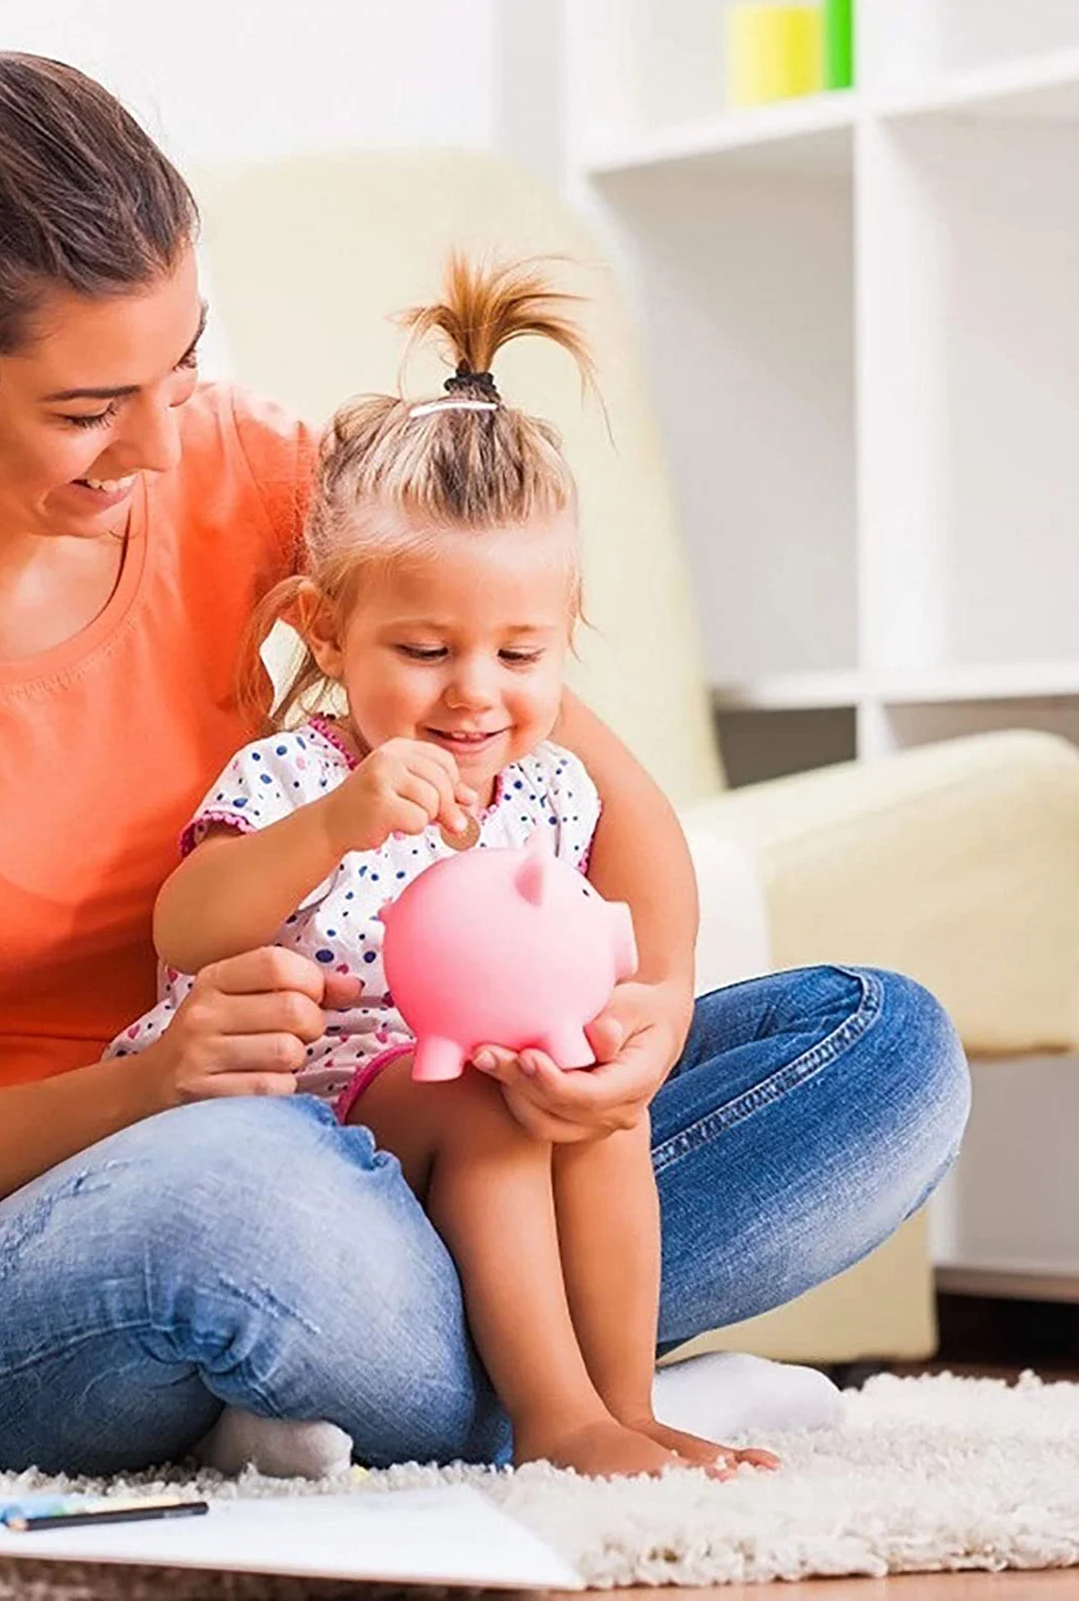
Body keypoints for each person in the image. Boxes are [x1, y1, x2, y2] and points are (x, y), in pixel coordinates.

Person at [0, 42, 970, 1476]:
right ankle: (586, 1388)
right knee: (247, 1199)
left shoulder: (244, 472)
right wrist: (147, 1092)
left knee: (879, 1052)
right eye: (87, 410)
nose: (160, 440)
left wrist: (639, 1012)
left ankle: (446, 1388)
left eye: (182, 364)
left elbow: (559, 753)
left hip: (375, 1134)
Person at [108, 254, 780, 1478]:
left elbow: (604, 933)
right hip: (316, 1104)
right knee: (489, 1115)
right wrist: (333, 826)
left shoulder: (547, 786)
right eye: (423, 648)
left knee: (598, 1119)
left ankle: (617, 1405)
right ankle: (554, 1419)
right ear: (324, 629)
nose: (475, 692)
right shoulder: (298, 774)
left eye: (522, 653)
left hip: (492, 1075)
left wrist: (633, 1019)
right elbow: (186, 921)